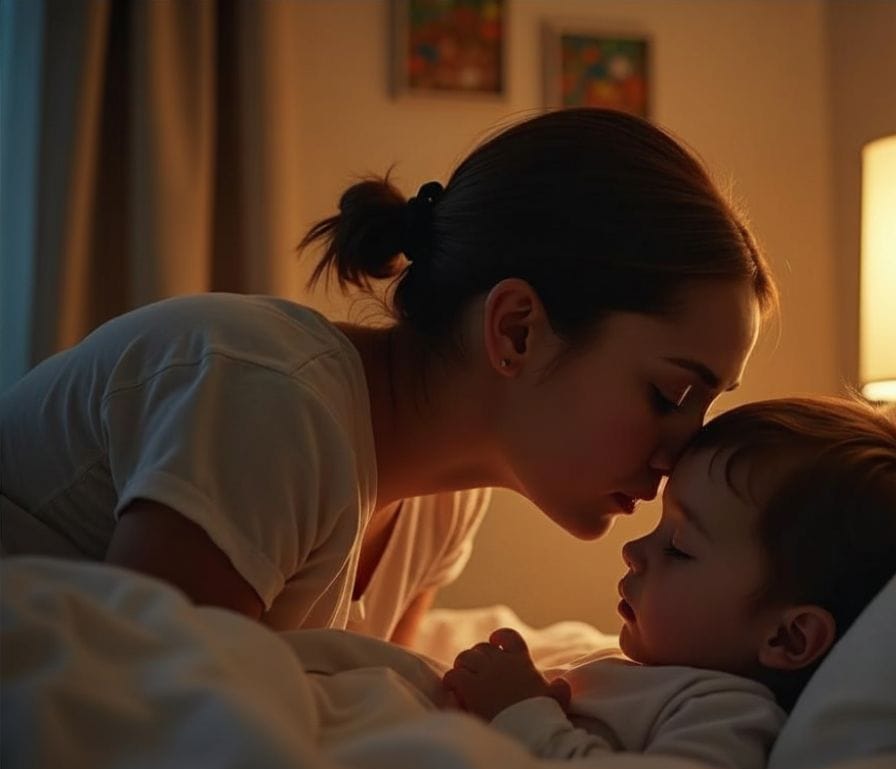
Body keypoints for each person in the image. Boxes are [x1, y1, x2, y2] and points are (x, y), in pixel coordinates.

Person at [0, 108, 776, 645]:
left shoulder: (448, 502)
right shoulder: (268, 401)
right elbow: (154, 735)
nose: (684, 455)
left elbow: (364, 710)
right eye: (672, 395)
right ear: (516, 330)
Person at [441, 396, 896, 769]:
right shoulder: (657, 675)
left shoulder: (725, 712)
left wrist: (520, 714)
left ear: (788, 638)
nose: (633, 551)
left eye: (678, 548)